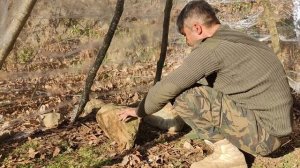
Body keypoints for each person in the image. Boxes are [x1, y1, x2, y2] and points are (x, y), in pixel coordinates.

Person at [118, 0, 293, 167]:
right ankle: (178, 120)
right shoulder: (236, 38)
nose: (187, 42)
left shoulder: (213, 48)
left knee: (183, 95)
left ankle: (229, 155)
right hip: (276, 129)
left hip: (265, 139)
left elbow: (169, 85)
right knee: (195, 85)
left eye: (185, 35)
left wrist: (138, 111)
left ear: (197, 28)